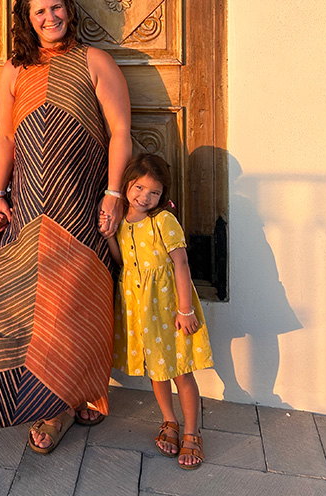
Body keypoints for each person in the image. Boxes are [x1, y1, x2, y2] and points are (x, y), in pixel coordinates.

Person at [0, 0, 131, 453]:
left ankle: (67, 401)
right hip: (27, 204)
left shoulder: (95, 61)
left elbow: (122, 131)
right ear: (27, 20)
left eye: (56, 7)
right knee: (13, 299)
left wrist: (113, 193)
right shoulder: (16, 69)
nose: (49, 17)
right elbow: (3, 137)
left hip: (80, 202)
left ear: (69, 10)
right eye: (39, 12)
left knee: (75, 301)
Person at [103, 153, 214, 470]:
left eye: (153, 192)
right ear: (127, 185)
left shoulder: (163, 220)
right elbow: (122, 260)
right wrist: (110, 236)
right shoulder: (124, 219)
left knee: (180, 369)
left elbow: (180, 263)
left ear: (162, 194)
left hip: (167, 308)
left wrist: (185, 309)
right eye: (139, 188)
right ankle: (169, 420)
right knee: (157, 368)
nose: (144, 197)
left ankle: (192, 432)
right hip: (139, 307)